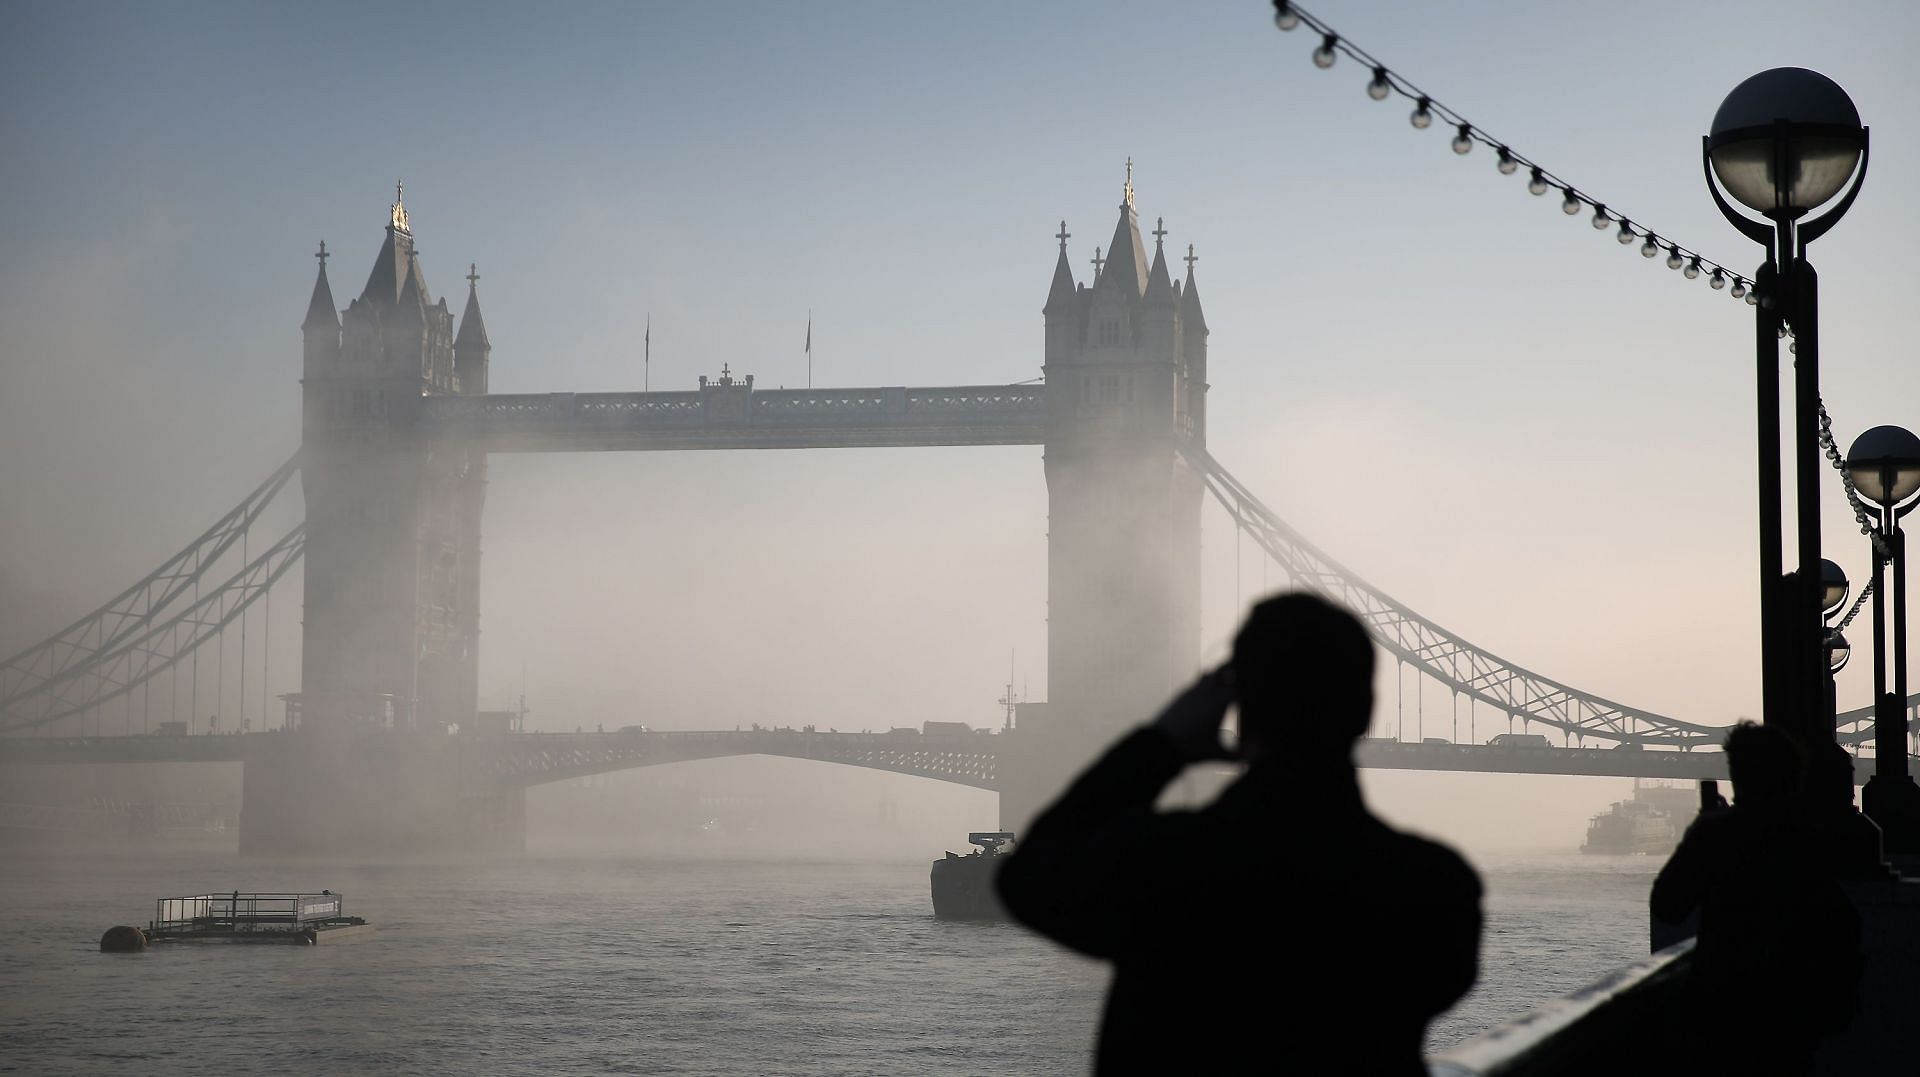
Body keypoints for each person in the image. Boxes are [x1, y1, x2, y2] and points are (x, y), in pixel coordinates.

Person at [996, 593, 1482, 1075]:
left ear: (1239, 708)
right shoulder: (1433, 887)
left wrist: (1161, 744)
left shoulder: (1166, 866)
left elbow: (1029, 876)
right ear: (1365, 712)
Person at [1650, 721, 1861, 1074]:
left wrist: (1701, 832)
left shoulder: (1716, 835)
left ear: (1738, 775)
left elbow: (1668, 907)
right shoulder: (1813, 838)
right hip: (1793, 1019)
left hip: (1723, 1017)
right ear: (1794, 776)